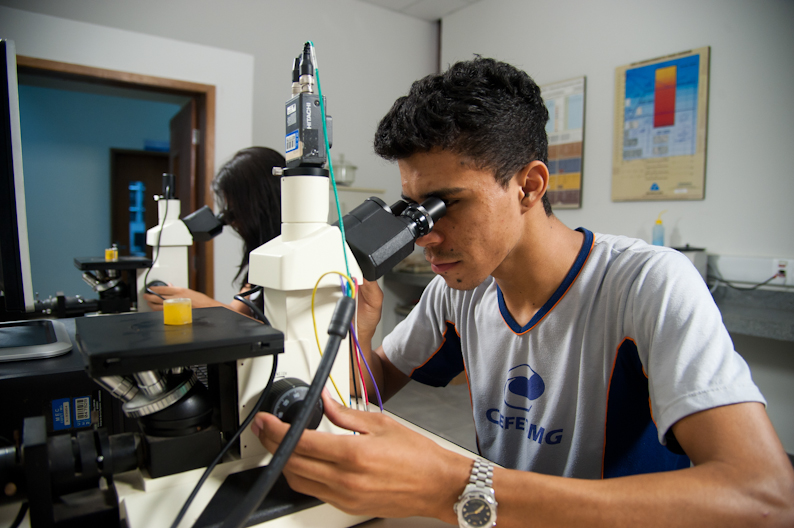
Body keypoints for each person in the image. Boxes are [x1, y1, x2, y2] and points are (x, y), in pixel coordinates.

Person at [251, 58, 794, 527]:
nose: (425, 234)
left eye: (446, 205)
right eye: (413, 209)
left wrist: (457, 487)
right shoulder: (458, 293)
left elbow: (765, 499)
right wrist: (359, 328)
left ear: (529, 186)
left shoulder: (647, 284)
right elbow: (358, 404)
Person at [143, 147, 284, 316]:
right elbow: (238, 313)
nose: (232, 222)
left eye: (234, 212)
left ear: (263, 205)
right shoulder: (261, 256)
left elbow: (279, 334)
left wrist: (202, 304)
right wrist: (187, 300)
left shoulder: (292, 258)